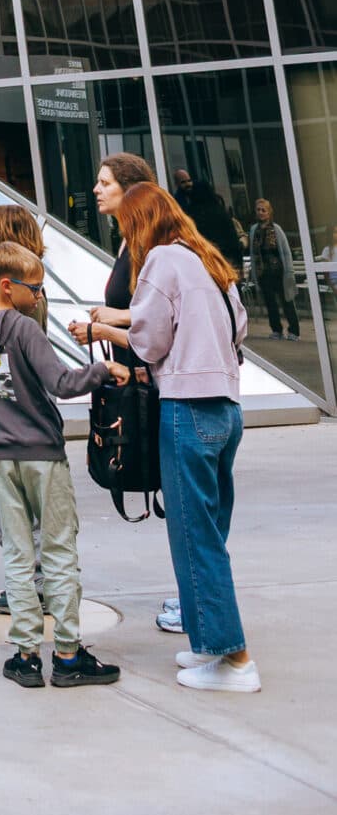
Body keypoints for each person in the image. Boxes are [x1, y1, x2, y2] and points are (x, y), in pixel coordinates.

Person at [0, 242, 125, 690]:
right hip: (42, 457)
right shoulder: (24, 329)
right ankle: (68, 655)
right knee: (59, 553)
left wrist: (0, 416)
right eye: (36, 289)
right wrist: (107, 371)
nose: (41, 297)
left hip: (0, 458)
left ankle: (26, 656)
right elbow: (61, 383)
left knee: (17, 554)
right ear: (8, 287)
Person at [114, 183, 258, 693]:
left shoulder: (159, 261)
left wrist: (120, 334)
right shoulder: (208, 258)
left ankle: (233, 658)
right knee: (210, 534)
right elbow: (239, 328)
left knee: (194, 539)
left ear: (140, 224)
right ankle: (210, 645)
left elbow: (150, 339)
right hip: (227, 405)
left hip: (187, 406)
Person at [68, 151, 183, 637]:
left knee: (179, 493)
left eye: (105, 182)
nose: (96, 190)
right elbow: (134, 312)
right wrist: (107, 318)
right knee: (170, 489)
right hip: (138, 380)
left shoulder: (149, 249)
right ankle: (191, 593)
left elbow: (151, 323)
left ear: (131, 190)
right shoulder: (126, 245)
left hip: (153, 383)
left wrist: (105, 327)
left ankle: (192, 596)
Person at [0, 202, 47, 615]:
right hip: (14, 399)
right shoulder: (29, 281)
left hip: (9, 401)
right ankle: (35, 576)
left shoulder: (9, 286)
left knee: (4, 487)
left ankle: (32, 579)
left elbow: (4, 344)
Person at [172, 166, 244, 272]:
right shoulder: (219, 211)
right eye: (184, 182)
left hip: (210, 260)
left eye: (189, 181)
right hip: (225, 259)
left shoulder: (191, 213)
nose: (188, 185)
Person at [247, 199, 300, 339]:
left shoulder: (276, 229)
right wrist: (254, 274)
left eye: (263, 210)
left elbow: (286, 251)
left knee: (287, 301)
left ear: (269, 212)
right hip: (263, 272)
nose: (260, 212)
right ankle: (276, 329)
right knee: (270, 303)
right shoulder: (254, 230)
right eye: (258, 210)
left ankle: (294, 331)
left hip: (279, 272)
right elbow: (253, 253)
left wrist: (289, 272)